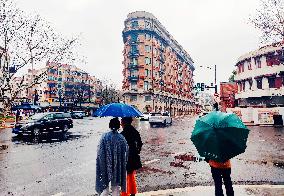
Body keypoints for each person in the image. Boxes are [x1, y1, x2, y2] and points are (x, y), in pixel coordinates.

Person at [96, 118, 129, 196]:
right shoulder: (121, 138)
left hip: (105, 165)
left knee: (105, 188)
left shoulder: (104, 136)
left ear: (110, 126)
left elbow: (100, 152)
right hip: (117, 167)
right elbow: (126, 152)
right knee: (115, 189)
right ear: (118, 126)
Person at [120, 117, 143, 196]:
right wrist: (136, 151)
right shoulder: (135, 132)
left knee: (125, 177)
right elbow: (140, 143)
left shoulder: (122, 134)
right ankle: (133, 192)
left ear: (124, 123)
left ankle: (125, 194)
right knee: (131, 175)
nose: (121, 123)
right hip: (133, 157)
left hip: (125, 158)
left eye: (121, 121)